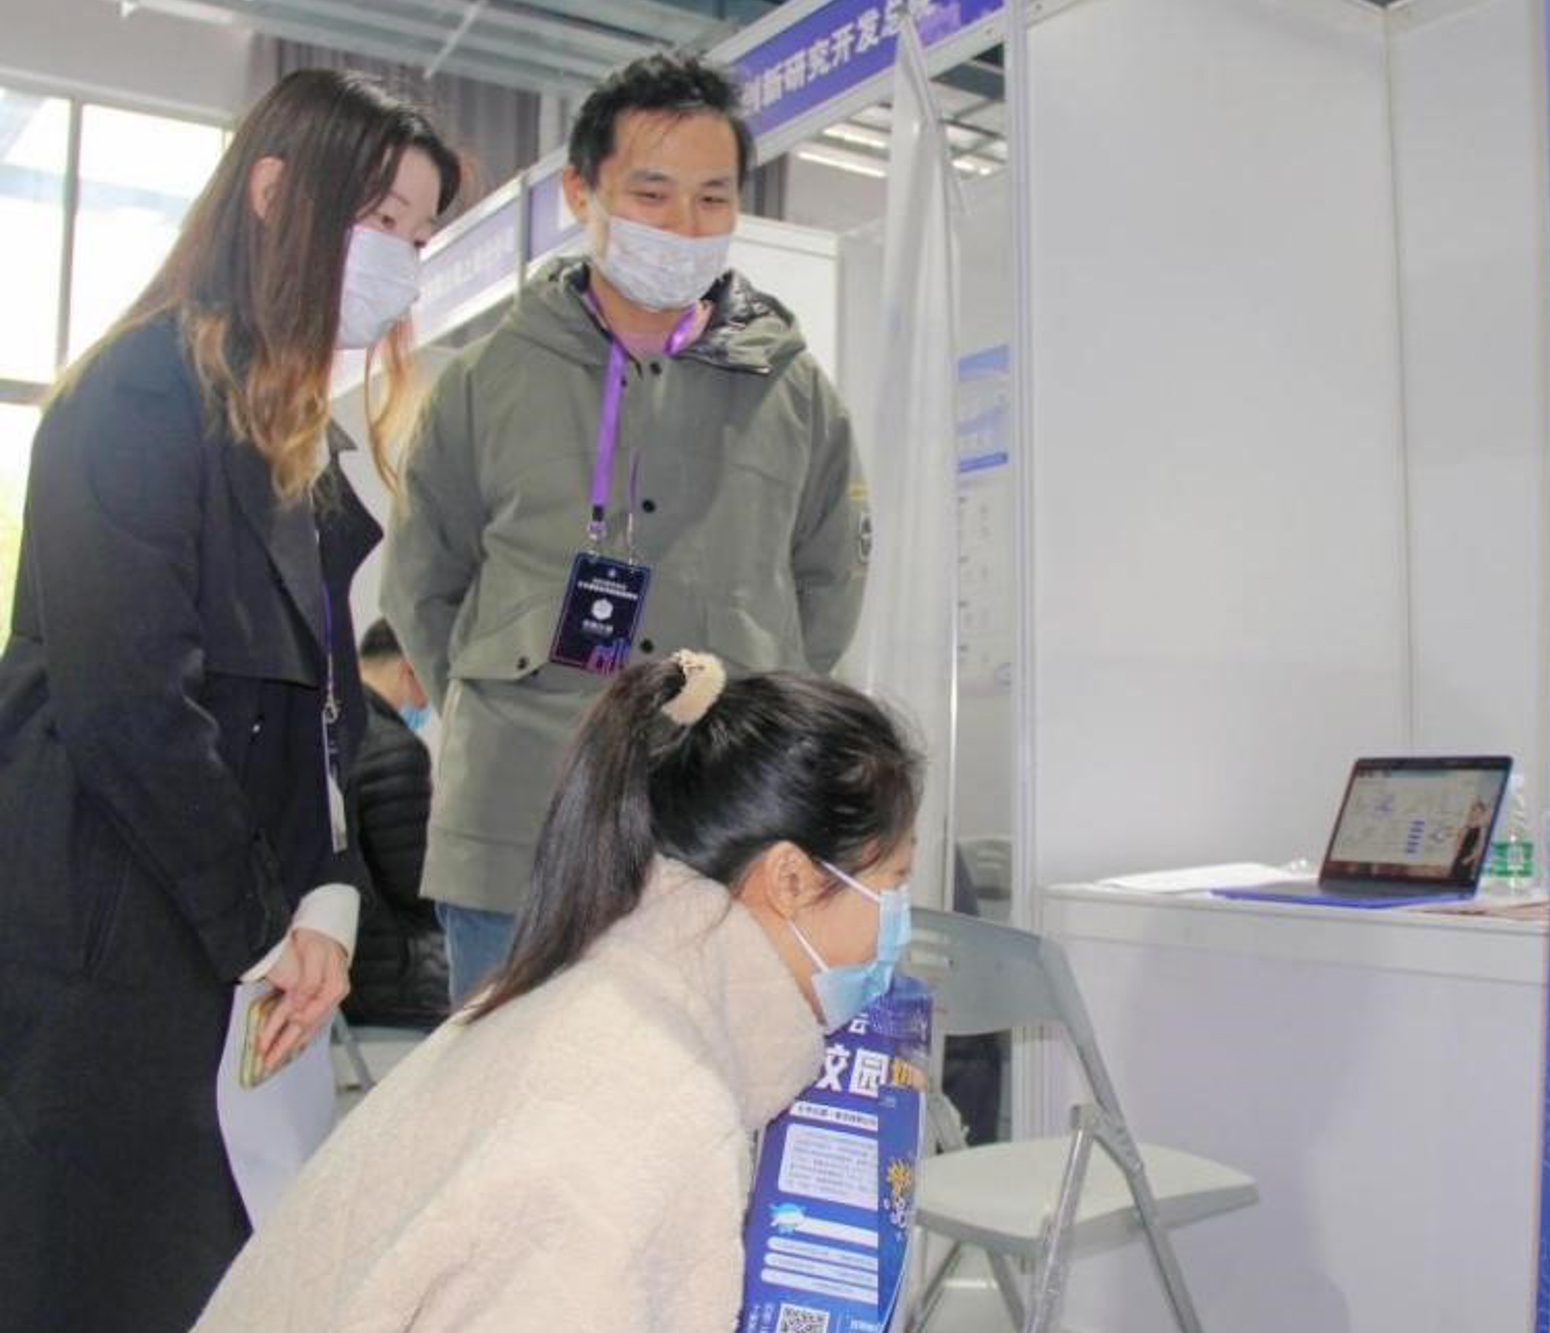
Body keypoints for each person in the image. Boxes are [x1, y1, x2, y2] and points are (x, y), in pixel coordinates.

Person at [0, 71, 458, 1332]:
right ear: (273, 191)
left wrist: (328, 900)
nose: (402, 260)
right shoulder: (141, 392)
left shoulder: (295, 435)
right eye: (380, 220)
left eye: (421, 235)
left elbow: (328, 713)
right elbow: (130, 705)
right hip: (114, 944)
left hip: (229, 950)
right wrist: (269, 928)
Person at [193, 650, 922, 1331]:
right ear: (790, 879)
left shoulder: (598, 998)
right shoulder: (648, 1115)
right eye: (894, 881)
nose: (900, 921)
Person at [383, 52, 869, 1004]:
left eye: (712, 198)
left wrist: (746, 731)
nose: (683, 225)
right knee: (505, 1090)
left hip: (716, 841)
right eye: (651, 193)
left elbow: (827, 594)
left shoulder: (799, 397)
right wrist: (501, 707)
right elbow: (422, 583)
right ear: (581, 192)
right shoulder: (485, 380)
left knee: (702, 1090)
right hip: (516, 833)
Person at [345, 618, 451, 1028]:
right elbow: (417, 886)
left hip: (345, 957)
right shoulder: (394, 749)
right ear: (411, 669)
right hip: (391, 970)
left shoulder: (332, 730)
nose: (425, 706)